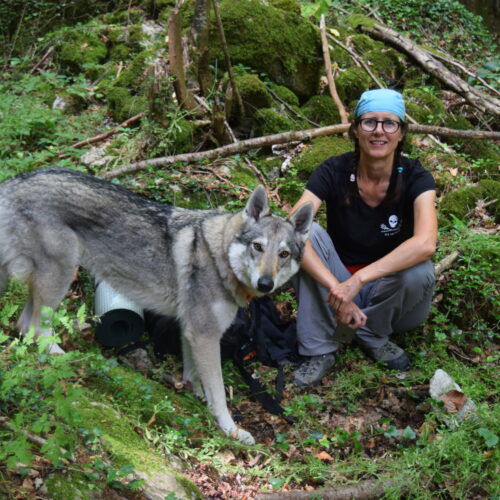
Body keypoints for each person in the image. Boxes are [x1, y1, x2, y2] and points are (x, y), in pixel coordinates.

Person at [290, 88, 437, 387]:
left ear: (401, 133)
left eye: (389, 123)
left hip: (392, 297)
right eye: (369, 122)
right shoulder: (334, 170)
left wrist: (359, 281)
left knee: (420, 268)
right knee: (305, 233)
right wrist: (339, 289)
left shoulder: (415, 176)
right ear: (356, 130)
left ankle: (372, 333)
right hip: (337, 289)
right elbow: (291, 228)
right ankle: (320, 348)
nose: (378, 131)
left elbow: (425, 243)